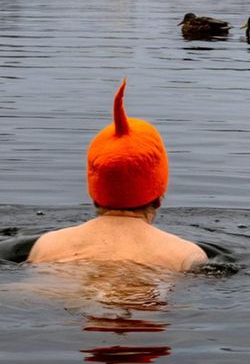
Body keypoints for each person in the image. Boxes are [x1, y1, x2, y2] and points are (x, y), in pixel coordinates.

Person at [27, 80, 208, 272]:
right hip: (141, 294)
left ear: (94, 193)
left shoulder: (47, 245)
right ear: (159, 196)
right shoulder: (184, 255)